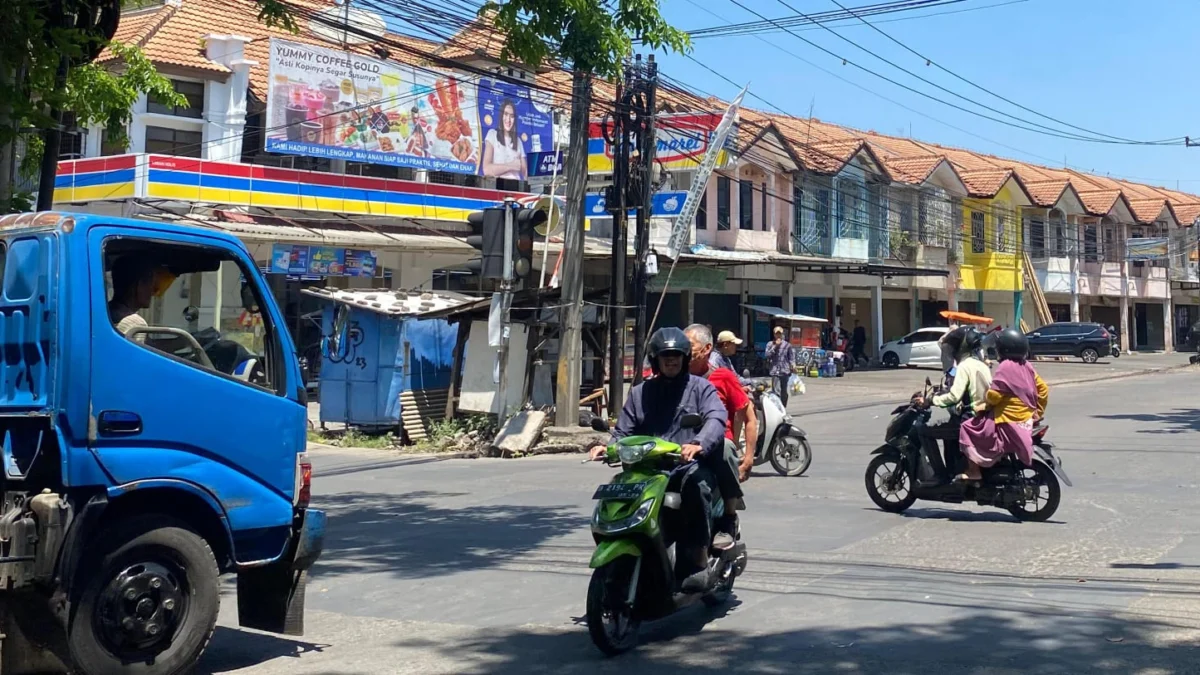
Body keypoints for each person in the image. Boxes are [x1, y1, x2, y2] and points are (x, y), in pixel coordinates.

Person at [589, 327, 728, 592]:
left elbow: (716, 418)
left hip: (684, 467)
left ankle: (697, 559)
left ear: (685, 358)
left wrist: (697, 444)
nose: (671, 360)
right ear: (656, 360)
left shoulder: (701, 388)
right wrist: (607, 449)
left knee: (697, 486)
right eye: (665, 356)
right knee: (616, 494)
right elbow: (622, 431)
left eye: (676, 355)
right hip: (646, 470)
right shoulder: (641, 393)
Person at [958, 329, 1049, 482]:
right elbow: (1043, 390)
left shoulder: (1005, 366)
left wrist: (985, 400)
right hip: (1026, 418)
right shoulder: (1026, 365)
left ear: (1003, 349)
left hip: (1006, 419)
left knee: (967, 427)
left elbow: (995, 396)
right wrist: (1037, 413)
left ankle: (974, 471)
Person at [914, 327, 990, 483]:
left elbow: (954, 396)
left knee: (924, 431)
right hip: (984, 415)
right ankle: (954, 469)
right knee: (946, 431)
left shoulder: (964, 366)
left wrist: (930, 401)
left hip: (969, 418)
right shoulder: (982, 365)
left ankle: (940, 475)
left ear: (959, 347)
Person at [686, 324, 757, 487]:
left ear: (706, 349)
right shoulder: (675, 379)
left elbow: (750, 418)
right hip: (685, 447)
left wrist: (748, 459)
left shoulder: (722, 374)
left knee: (724, 448)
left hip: (718, 449)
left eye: (689, 346)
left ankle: (730, 508)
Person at [109, 259, 160, 336]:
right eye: (152, 284)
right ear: (140, 285)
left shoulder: (106, 312)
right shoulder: (134, 324)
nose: (153, 292)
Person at [481, 98, 526, 180]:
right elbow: (486, 169)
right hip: (498, 187)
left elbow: (525, 173)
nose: (508, 120)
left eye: (512, 116)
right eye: (505, 114)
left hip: (516, 188)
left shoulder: (518, 141)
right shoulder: (492, 134)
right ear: (501, 116)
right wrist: (511, 165)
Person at [765, 325, 796, 405]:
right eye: (776, 334)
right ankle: (778, 410)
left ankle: (783, 407)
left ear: (782, 334)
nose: (778, 335)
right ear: (774, 334)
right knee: (776, 391)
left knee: (784, 392)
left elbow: (791, 357)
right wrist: (775, 346)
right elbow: (767, 355)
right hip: (775, 371)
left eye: (779, 334)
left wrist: (793, 365)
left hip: (785, 371)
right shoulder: (770, 344)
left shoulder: (787, 345)